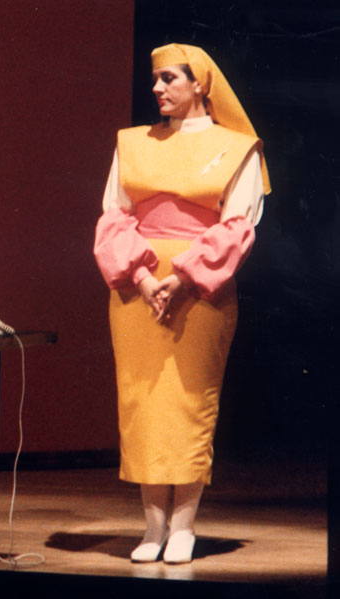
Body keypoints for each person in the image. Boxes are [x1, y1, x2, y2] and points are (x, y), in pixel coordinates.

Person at [93, 44, 270, 564]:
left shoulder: (237, 148)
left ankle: (184, 526)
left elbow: (238, 225)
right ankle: (152, 527)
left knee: (190, 402)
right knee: (143, 402)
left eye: (169, 78)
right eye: (155, 79)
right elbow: (114, 217)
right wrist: (145, 277)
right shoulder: (133, 143)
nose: (157, 88)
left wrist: (183, 278)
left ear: (199, 84)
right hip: (136, 288)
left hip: (202, 289)